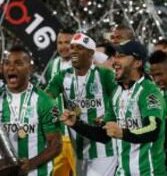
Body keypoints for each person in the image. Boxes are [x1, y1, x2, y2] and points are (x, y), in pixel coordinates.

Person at [61, 40, 167, 175]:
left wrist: (122, 133)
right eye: (115, 56)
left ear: (137, 63)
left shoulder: (149, 91)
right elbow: (105, 134)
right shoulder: (117, 93)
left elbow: (153, 129)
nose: (115, 61)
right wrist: (76, 124)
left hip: (149, 172)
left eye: (121, 56)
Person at [46, 33, 117, 176]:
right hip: (78, 149)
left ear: (91, 53)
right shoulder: (62, 76)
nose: (73, 51)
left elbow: (121, 100)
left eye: (79, 48)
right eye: (72, 47)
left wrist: (109, 115)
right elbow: (45, 98)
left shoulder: (105, 75)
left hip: (103, 150)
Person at [0, 46, 62, 176]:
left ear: (30, 69)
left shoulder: (44, 101)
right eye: (7, 63)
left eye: (18, 63)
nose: (11, 68)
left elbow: (56, 145)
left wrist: (31, 164)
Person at [44, 29, 77, 176]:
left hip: (78, 134)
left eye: (67, 42)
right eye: (60, 43)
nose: (63, 47)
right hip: (59, 135)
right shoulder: (54, 64)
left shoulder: (84, 63)